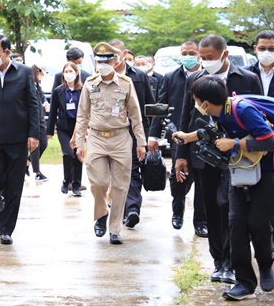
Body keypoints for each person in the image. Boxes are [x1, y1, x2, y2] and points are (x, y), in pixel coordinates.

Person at [173, 76, 274, 301]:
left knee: (257, 223)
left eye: (197, 100)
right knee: (236, 224)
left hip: (267, 172)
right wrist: (187, 137)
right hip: (240, 171)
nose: (196, 104)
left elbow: (269, 140)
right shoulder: (218, 112)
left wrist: (235, 144)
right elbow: (213, 131)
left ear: (205, 103)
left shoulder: (243, 110)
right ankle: (244, 282)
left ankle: (266, 265)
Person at [176, 34, 261, 284]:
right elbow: (185, 116)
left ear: (224, 55)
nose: (204, 62)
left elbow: (257, 119)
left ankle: (233, 261)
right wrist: (181, 155)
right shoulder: (195, 78)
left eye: (209, 58)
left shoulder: (247, 79)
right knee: (212, 207)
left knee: (233, 209)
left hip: (238, 156)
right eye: (201, 58)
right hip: (205, 155)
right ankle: (218, 261)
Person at [72, 42, 146, 245]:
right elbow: (82, 115)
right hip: (96, 137)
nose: (103, 64)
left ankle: (115, 229)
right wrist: (79, 142)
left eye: (107, 61)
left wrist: (141, 142)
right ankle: (101, 213)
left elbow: (135, 114)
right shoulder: (89, 83)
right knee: (98, 183)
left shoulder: (125, 83)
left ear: (115, 61)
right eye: (99, 61)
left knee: (121, 186)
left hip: (120, 137)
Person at [0, 35, 40, 245]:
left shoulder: (23, 72)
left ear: (7, 53)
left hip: (17, 138)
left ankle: (6, 229)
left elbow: (32, 104)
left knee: (14, 185)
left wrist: (33, 133)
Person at [147, 40, 207, 236]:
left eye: (191, 52)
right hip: (178, 135)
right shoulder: (171, 77)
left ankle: (200, 221)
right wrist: (154, 135)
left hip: (202, 136)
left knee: (202, 180)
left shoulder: (208, 77)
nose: (187, 56)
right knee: (178, 177)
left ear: (199, 54)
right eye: (184, 53)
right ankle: (178, 211)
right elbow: (161, 107)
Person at [109, 39, 155, 228]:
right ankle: (119, 208)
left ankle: (133, 208)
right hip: (111, 132)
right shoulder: (101, 76)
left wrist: (151, 135)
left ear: (124, 53)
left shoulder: (139, 76)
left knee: (132, 170)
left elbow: (150, 106)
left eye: (117, 54)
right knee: (116, 172)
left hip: (135, 131)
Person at [244, 29, 274, 254]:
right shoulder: (246, 75)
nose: (266, 53)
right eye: (262, 48)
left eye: (271, 49)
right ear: (255, 49)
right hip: (253, 142)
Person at [47, 61, 84, 196]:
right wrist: (49, 130)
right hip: (63, 127)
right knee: (68, 154)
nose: (69, 74)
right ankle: (66, 180)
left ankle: (76, 185)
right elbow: (53, 111)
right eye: (66, 72)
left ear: (76, 73)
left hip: (78, 126)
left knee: (77, 155)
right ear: (63, 74)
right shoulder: (59, 91)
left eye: (71, 71)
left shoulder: (82, 90)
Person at [29, 64, 49, 182]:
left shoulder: (37, 84)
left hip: (40, 117)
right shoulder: (30, 83)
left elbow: (41, 96)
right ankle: (37, 172)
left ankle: (27, 163)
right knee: (35, 144)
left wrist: (45, 102)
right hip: (34, 118)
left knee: (43, 143)